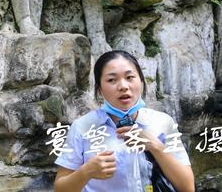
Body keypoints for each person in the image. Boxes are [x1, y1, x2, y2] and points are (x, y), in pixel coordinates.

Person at [54, 50, 195, 192]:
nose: (123, 86)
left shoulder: (163, 122)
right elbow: (60, 188)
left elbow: (188, 188)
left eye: (129, 77)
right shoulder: (83, 127)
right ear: (99, 90)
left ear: (141, 81)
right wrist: (85, 172)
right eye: (111, 80)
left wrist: (156, 147)